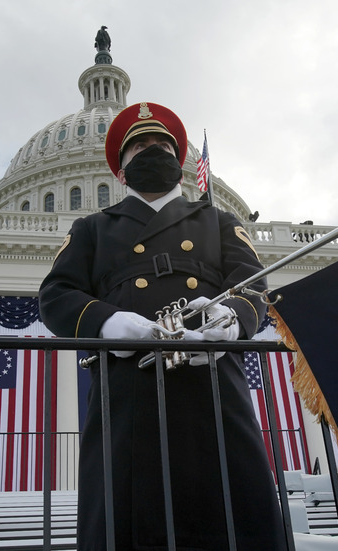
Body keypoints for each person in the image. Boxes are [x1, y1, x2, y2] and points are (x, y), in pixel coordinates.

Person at [38, 101, 287, 550]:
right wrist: (111, 322)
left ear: (180, 162)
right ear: (120, 170)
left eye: (161, 145)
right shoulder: (93, 228)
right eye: (140, 147)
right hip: (128, 397)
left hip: (213, 390)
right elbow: (56, 295)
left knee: (233, 517)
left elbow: (252, 285)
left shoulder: (218, 220)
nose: (152, 151)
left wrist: (228, 318)